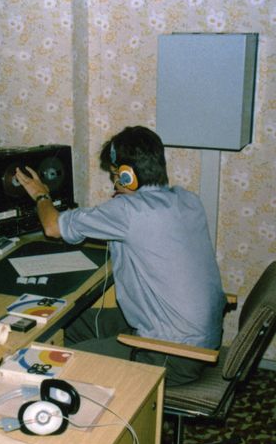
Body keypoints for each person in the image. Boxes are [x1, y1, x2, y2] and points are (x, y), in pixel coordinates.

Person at [15, 126, 226, 386]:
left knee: (51, 364)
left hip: (172, 355)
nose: (114, 182)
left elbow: (52, 227)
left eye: (115, 175)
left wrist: (41, 194)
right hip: (190, 337)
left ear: (127, 176)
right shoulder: (187, 199)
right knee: (61, 323)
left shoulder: (128, 211)